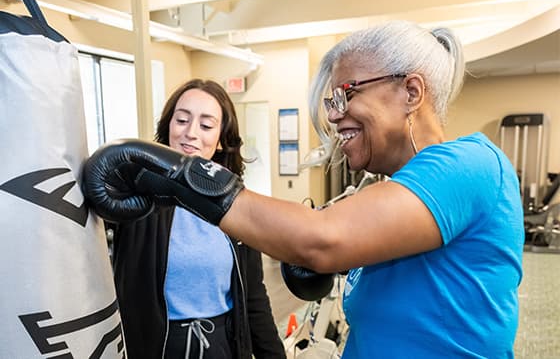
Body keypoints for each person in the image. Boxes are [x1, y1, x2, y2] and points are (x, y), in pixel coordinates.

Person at [83, 21, 524, 358]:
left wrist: (181, 175)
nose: (334, 117)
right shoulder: (392, 192)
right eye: (331, 103)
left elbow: (321, 239)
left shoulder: (472, 165)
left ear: (411, 91)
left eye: (344, 96)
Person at [107, 79, 286, 359]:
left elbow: (253, 298)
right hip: (156, 348)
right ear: (168, 126)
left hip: (221, 346)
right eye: (182, 120)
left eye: (205, 125)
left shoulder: (238, 205)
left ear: (220, 140)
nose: (191, 133)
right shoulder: (137, 197)